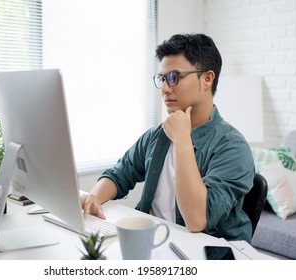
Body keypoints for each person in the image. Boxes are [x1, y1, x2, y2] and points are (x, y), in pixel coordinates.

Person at [81, 33, 255, 243]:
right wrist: (94, 197)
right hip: (154, 241)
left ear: (207, 78)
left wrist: (182, 140)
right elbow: (119, 174)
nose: (164, 88)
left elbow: (198, 220)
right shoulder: (156, 135)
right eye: (162, 79)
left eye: (174, 77)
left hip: (204, 252)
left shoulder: (232, 146)